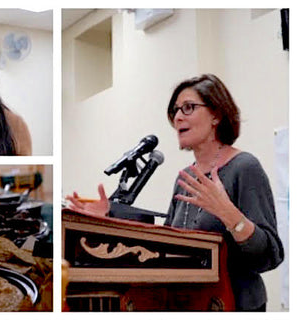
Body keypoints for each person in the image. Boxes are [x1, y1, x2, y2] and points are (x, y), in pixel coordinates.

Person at [66, 74, 284, 311]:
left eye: (188, 108)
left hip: (236, 306)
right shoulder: (184, 177)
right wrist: (109, 218)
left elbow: (270, 255)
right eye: (175, 110)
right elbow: (165, 245)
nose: (178, 117)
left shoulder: (244, 167)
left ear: (216, 114)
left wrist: (229, 214)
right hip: (188, 305)